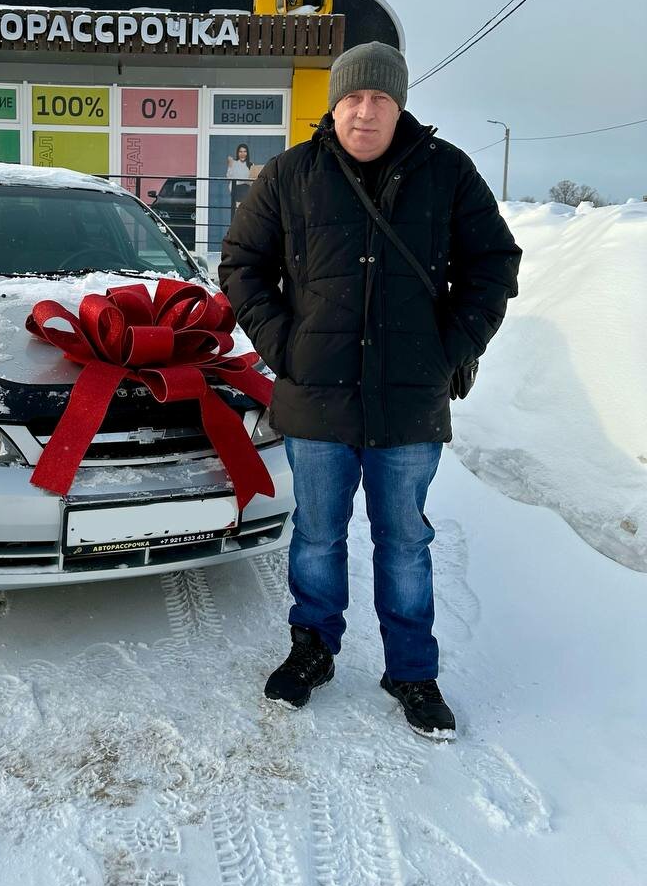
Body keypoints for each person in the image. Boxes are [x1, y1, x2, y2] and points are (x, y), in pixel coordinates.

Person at [219, 41, 521, 737]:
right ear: (334, 105)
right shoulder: (290, 174)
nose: (365, 111)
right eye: (352, 97)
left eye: (379, 98)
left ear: (399, 104)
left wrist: (450, 349)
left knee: (405, 540)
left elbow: (494, 263)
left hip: (410, 400)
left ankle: (411, 670)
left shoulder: (448, 172)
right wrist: (285, 345)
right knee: (318, 536)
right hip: (316, 396)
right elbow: (241, 264)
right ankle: (313, 649)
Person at [227, 144, 253, 221]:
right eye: (240, 151)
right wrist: (230, 165)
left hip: (247, 188)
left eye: (244, 151)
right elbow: (229, 177)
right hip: (237, 189)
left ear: (247, 153)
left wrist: (246, 180)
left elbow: (252, 179)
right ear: (238, 153)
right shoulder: (234, 163)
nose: (242, 154)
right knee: (239, 211)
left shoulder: (250, 164)